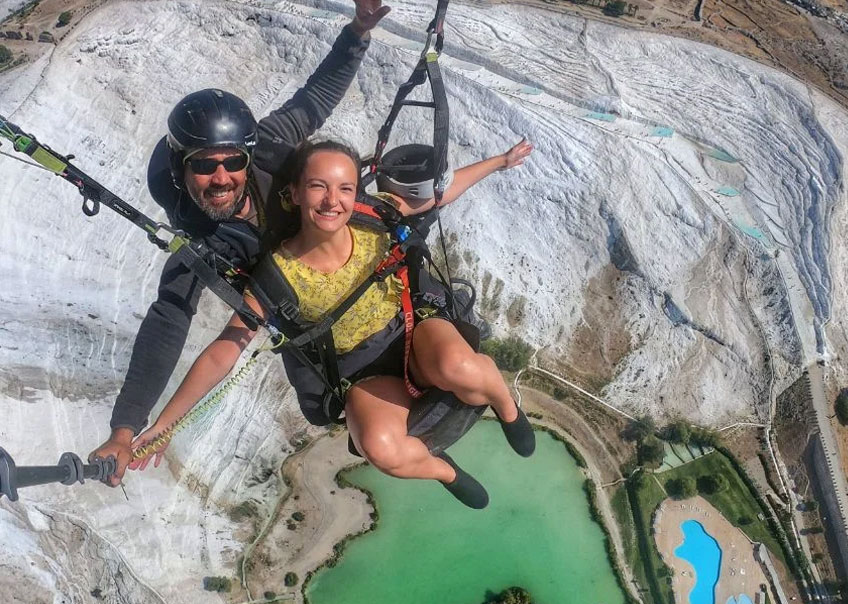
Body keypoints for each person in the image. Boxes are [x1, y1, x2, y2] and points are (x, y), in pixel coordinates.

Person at [129, 137, 535, 509]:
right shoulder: (277, 275)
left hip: (412, 329)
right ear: (294, 194)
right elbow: (224, 350)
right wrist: (165, 425)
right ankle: (446, 471)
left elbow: (438, 196)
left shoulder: (373, 216)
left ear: (356, 193)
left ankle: (507, 409)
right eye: (318, 186)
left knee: (459, 367)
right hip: (360, 370)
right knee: (380, 448)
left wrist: (500, 161)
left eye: (344, 188)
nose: (332, 201)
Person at [88, 0, 392, 486]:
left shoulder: (269, 147)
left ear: (247, 158)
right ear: (181, 169)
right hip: (311, 310)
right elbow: (169, 317)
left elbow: (313, 101)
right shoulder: (197, 240)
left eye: (231, 163)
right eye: (204, 165)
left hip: (355, 264)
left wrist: (358, 31)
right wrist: (127, 427)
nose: (221, 178)